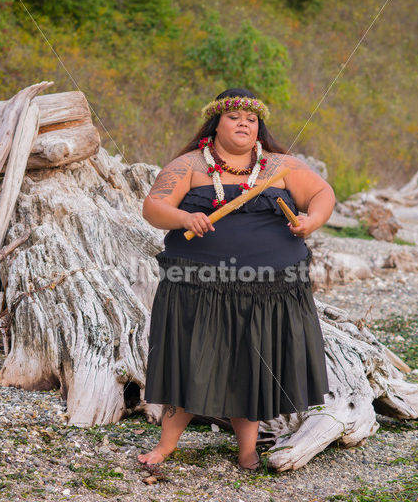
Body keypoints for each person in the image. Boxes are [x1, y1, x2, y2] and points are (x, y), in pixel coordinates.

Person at [138, 88, 335, 470]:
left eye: (251, 118)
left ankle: (247, 450)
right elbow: (153, 207)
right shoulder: (189, 165)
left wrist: (312, 219)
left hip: (271, 289)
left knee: (252, 364)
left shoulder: (282, 166)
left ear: (259, 127)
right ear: (215, 123)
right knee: (191, 362)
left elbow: (322, 193)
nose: (244, 122)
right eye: (234, 117)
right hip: (198, 286)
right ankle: (166, 446)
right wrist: (183, 218)